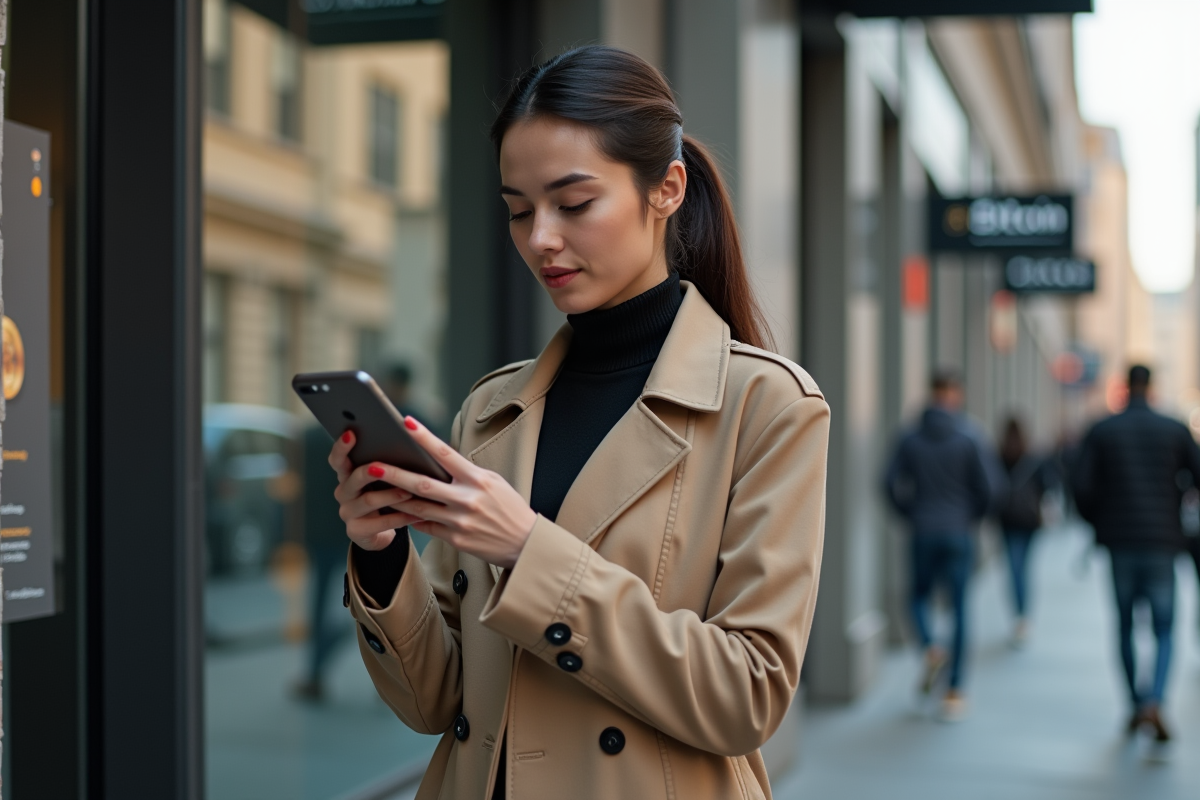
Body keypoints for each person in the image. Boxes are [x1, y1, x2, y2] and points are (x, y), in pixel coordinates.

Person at [324, 46, 830, 799]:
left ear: (666, 189)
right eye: (519, 210)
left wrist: (529, 551)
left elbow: (747, 695)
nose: (540, 239)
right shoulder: (491, 410)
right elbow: (434, 702)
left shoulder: (767, 405)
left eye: (574, 203)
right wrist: (381, 553)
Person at [1072, 365, 1200, 743]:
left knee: (1125, 625)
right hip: (1163, 541)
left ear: (1126, 387)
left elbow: (1081, 486)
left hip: (1121, 542)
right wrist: (1178, 501)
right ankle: (1155, 700)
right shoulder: (1173, 429)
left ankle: (1135, 703)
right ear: (1152, 387)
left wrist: (1100, 521)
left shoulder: (1103, 430)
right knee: (1164, 628)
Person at [884, 370, 1003, 721]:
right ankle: (954, 692)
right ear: (956, 395)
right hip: (958, 531)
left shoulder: (910, 436)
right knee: (960, 606)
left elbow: (888, 482)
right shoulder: (970, 436)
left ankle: (930, 647)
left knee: (918, 597)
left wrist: (911, 513)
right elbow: (991, 488)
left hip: (923, 529)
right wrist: (969, 517)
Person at [996, 416, 1052, 645]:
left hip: (1008, 520)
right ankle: (1023, 618)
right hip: (1029, 520)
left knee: (1014, 568)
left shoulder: (998, 456)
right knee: (1024, 568)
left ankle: (1019, 617)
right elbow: (1047, 485)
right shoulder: (1033, 457)